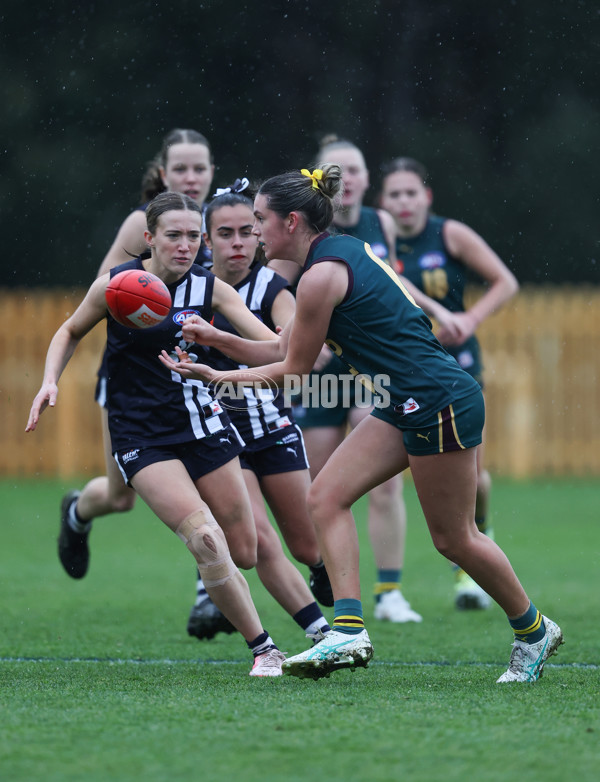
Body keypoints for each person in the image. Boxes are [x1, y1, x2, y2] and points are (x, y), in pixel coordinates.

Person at [160, 166, 563, 684]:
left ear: (292, 221)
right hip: (404, 399)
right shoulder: (335, 255)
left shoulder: (319, 276)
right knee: (325, 498)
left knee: (454, 538)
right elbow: (285, 348)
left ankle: (534, 631)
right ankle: (348, 631)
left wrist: (218, 375)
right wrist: (216, 343)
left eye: (260, 220)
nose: (255, 231)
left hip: (435, 399)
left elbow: (294, 370)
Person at [26, 192, 287, 676]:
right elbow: (69, 331)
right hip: (140, 433)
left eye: (193, 237)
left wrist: (226, 340)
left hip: (202, 423)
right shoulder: (118, 286)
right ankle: (265, 649)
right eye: (174, 236)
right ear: (149, 239)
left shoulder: (210, 289)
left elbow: (269, 347)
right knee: (205, 539)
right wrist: (48, 381)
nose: (185, 246)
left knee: (245, 551)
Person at [269, 135, 421, 625]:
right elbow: (278, 296)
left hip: (371, 370)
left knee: (380, 484)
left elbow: (393, 284)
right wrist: (291, 337)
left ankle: (388, 590)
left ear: (365, 179)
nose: (349, 177)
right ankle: (332, 581)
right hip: (317, 365)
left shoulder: (379, 227)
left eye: (356, 169)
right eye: (341, 170)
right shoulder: (293, 247)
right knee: (322, 487)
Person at [57, 129, 215, 584]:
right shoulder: (139, 223)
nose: (190, 177)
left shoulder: (220, 221)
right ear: (163, 173)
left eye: (199, 168)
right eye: (180, 168)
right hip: (134, 372)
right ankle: (77, 511)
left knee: (219, 478)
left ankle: (211, 587)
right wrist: (149, 308)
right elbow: (108, 289)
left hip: (201, 371)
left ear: (211, 172)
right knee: (120, 496)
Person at [186, 184, 333, 641]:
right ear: (206, 240)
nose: (237, 243)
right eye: (225, 233)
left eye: (247, 232)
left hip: (269, 423)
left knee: (306, 544)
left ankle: (320, 566)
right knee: (260, 540)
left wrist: (301, 347)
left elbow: (306, 350)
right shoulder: (186, 287)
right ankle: (321, 633)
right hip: (217, 430)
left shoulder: (272, 286)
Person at [378, 156, 519, 610]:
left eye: (410, 193)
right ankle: (425, 578)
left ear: (426, 197)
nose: (403, 203)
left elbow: (505, 281)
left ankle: (476, 545)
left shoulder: (449, 234)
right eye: (394, 195)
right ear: (383, 203)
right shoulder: (376, 241)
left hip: (454, 366)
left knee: (473, 476)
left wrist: (469, 318)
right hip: (402, 371)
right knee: (400, 477)